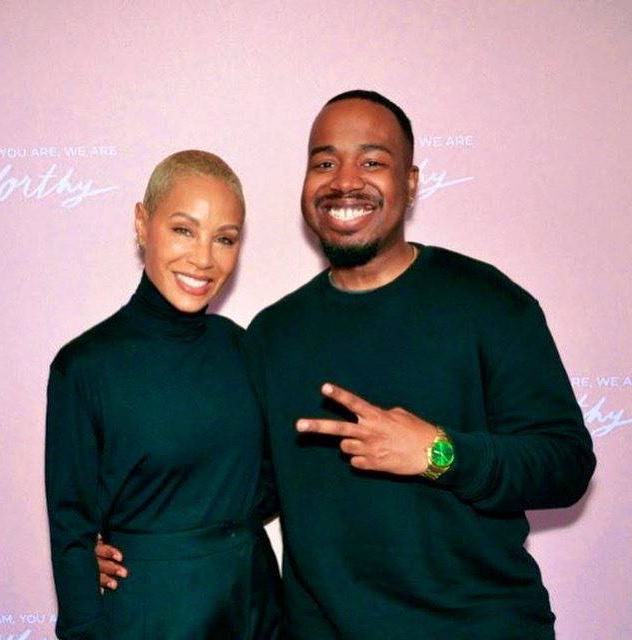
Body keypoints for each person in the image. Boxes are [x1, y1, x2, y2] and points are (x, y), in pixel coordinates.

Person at [99, 91, 596, 639]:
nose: (345, 181)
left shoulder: (489, 303)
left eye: (373, 161)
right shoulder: (272, 336)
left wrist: (437, 452)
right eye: (325, 163)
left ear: (411, 183)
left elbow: (567, 464)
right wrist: (127, 539)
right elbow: (247, 489)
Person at [45, 150, 281, 640]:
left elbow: (276, 476)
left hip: (255, 603)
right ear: (142, 223)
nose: (203, 258)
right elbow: (71, 530)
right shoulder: (84, 367)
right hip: (152, 611)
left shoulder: (243, 347)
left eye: (224, 238)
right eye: (183, 230)